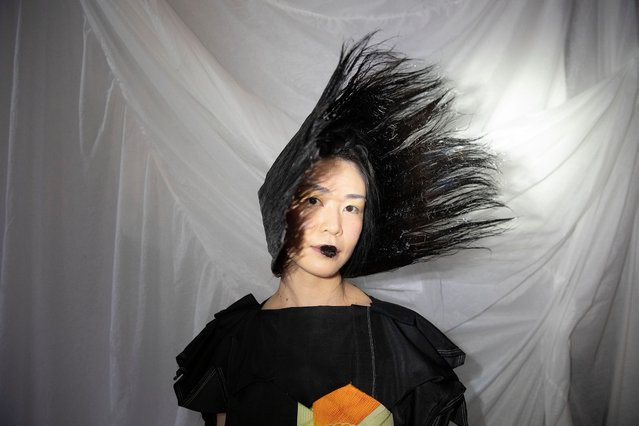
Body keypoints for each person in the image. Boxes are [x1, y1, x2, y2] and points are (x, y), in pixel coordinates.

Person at [173, 34, 508, 425]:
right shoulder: (229, 344)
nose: (334, 225)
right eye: (315, 201)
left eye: (352, 207)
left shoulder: (401, 344)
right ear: (279, 206)